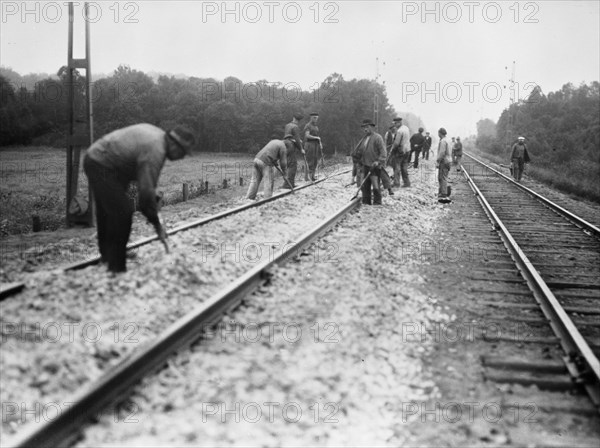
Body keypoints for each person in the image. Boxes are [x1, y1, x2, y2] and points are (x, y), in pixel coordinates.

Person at [83, 123, 196, 273]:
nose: (181, 157)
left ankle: (109, 255)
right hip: (101, 163)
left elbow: (147, 184)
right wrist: (156, 223)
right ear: (175, 145)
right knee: (122, 212)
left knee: (108, 212)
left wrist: (152, 199)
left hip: (106, 163)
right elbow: (145, 198)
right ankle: (116, 269)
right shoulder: (156, 149)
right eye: (183, 153)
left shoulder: (159, 140)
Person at [353, 119, 386, 205]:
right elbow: (360, 151)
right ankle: (366, 202)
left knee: (375, 185)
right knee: (365, 185)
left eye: (367, 127)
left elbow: (383, 152)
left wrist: (378, 161)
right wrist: (357, 157)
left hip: (374, 166)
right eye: (364, 127)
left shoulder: (378, 138)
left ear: (372, 127)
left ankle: (377, 202)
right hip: (365, 165)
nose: (365, 129)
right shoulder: (364, 139)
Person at [281, 113, 305, 188]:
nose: (298, 122)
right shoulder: (295, 127)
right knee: (293, 164)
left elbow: (289, 136)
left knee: (288, 164)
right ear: (298, 120)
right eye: (298, 120)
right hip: (290, 145)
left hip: (284, 143)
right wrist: (301, 149)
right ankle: (289, 184)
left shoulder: (287, 125)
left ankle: (286, 183)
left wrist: (297, 140)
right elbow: (297, 139)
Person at [390, 117, 411, 187]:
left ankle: (396, 183)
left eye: (395, 123)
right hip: (407, 150)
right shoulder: (406, 128)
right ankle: (407, 182)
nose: (395, 125)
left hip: (400, 151)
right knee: (404, 167)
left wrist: (392, 150)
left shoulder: (399, 131)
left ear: (399, 122)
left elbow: (396, 143)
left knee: (397, 166)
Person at [303, 112, 322, 181]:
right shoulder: (308, 126)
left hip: (315, 145)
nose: (316, 119)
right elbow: (307, 135)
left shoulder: (316, 127)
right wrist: (316, 138)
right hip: (309, 144)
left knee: (315, 160)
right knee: (309, 160)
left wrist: (320, 143)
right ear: (311, 118)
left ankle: (312, 176)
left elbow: (318, 137)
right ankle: (307, 177)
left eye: (317, 118)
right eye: (314, 117)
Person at [436, 128, 452, 203]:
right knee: (442, 177)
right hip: (448, 160)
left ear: (440, 133)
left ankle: (444, 194)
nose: (438, 134)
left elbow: (442, 153)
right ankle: (442, 192)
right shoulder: (448, 140)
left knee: (442, 177)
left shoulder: (443, 141)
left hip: (444, 161)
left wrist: (437, 161)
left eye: (438, 133)